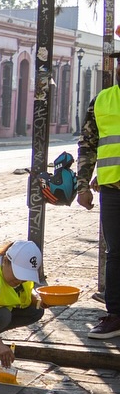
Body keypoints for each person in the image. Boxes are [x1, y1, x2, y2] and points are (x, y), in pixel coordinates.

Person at [76, 94, 120, 339]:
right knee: (115, 253)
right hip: (113, 190)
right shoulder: (102, 101)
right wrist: (82, 186)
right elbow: (88, 144)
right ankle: (115, 315)